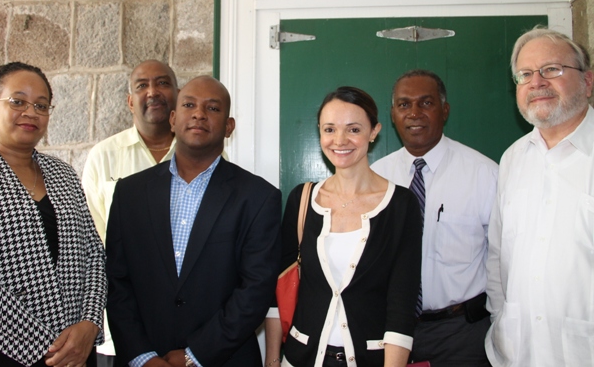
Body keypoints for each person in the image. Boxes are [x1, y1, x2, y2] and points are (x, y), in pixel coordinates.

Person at [106, 75, 282, 367]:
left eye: (212, 108)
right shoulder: (129, 193)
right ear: (173, 119)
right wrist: (142, 356)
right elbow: (116, 282)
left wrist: (194, 355)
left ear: (229, 127)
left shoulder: (259, 197)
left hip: (225, 359)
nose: (199, 113)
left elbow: (256, 289)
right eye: (189, 105)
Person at [0, 62, 106, 367]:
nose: (31, 112)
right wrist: (42, 343)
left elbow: (94, 255)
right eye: (17, 101)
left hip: (73, 350)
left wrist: (90, 325)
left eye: (41, 105)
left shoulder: (62, 174)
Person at [265, 86, 422, 367]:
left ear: (374, 131)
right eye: (329, 129)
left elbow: (402, 304)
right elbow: (278, 291)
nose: (339, 140)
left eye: (353, 129)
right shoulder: (301, 199)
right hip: (300, 359)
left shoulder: (401, 205)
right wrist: (273, 360)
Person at [371, 70, 497, 367]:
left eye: (426, 103)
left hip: (461, 335)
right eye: (403, 105)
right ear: (392, 114)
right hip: (388, 332)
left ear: (445, 111)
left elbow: (502, 261)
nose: (414, 113)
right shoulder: (377, 176)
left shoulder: (484, 174)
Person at [485, 27, 594, 366]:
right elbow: (498, 255)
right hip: (516, 354)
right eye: (525, 74)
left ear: (588, 81)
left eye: (552, 70)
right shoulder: (512, 159)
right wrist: (499, 320)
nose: (537, 82)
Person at [82, 60, 179, 366]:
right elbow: (91, 242)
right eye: (142, 86)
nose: (153, 92)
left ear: (177, 94)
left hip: (186, 331)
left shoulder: (205, 155)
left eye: (163, 83)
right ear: (129, 101)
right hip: (121, 328)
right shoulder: (103, 157)